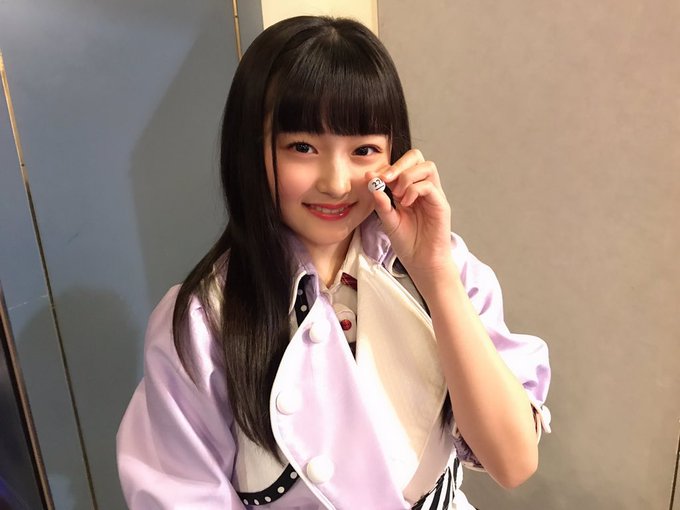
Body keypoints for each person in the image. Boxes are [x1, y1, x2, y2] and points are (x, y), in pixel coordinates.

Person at [116, 15, 551, 510]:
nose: (337, 182)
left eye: (364, 149)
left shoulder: (444, 267)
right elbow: (183, 495)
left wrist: (436, 276)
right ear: (250, 150)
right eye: (302, 147)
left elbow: (513, 462)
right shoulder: (204, 320)